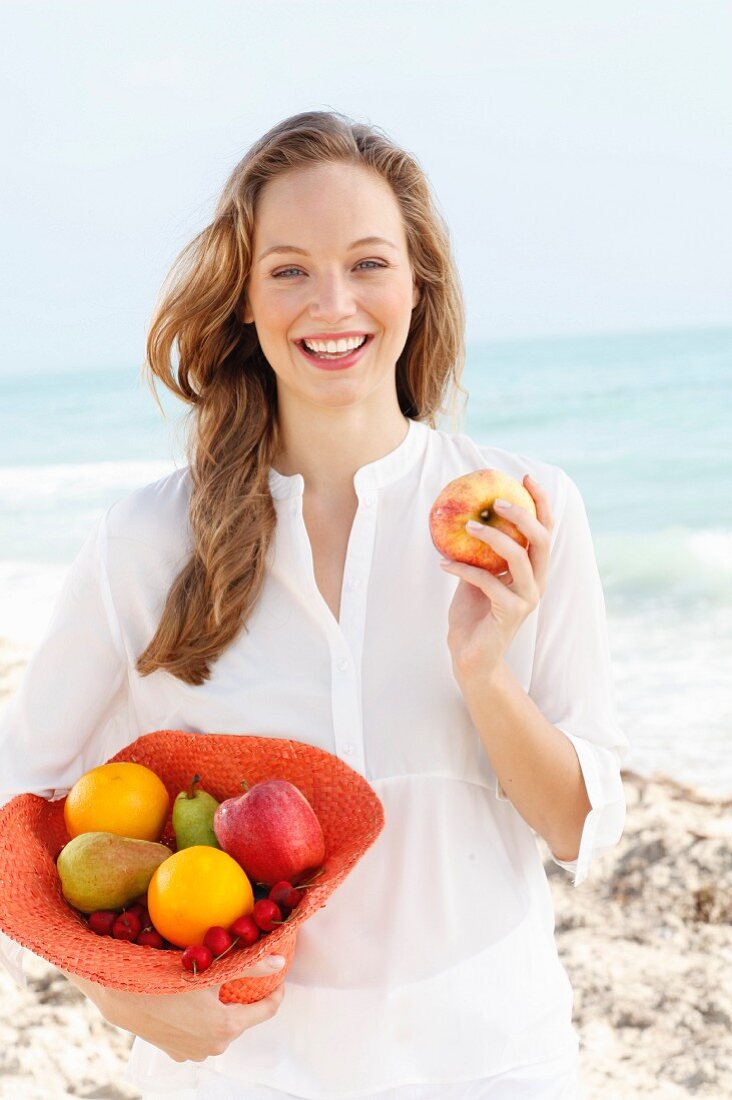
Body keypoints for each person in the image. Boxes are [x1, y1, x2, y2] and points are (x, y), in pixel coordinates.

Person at [0, 109, 628, 1100]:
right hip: (236, 1077)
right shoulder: (143, 540)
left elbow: (573, 825)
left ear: (417, 284)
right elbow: (19, 800)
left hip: (492, 1063)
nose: (332, 302)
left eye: (368, 262)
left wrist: (482, 669)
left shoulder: (524, 511)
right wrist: (119, 996)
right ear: (243, 300)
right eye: (288, 268)